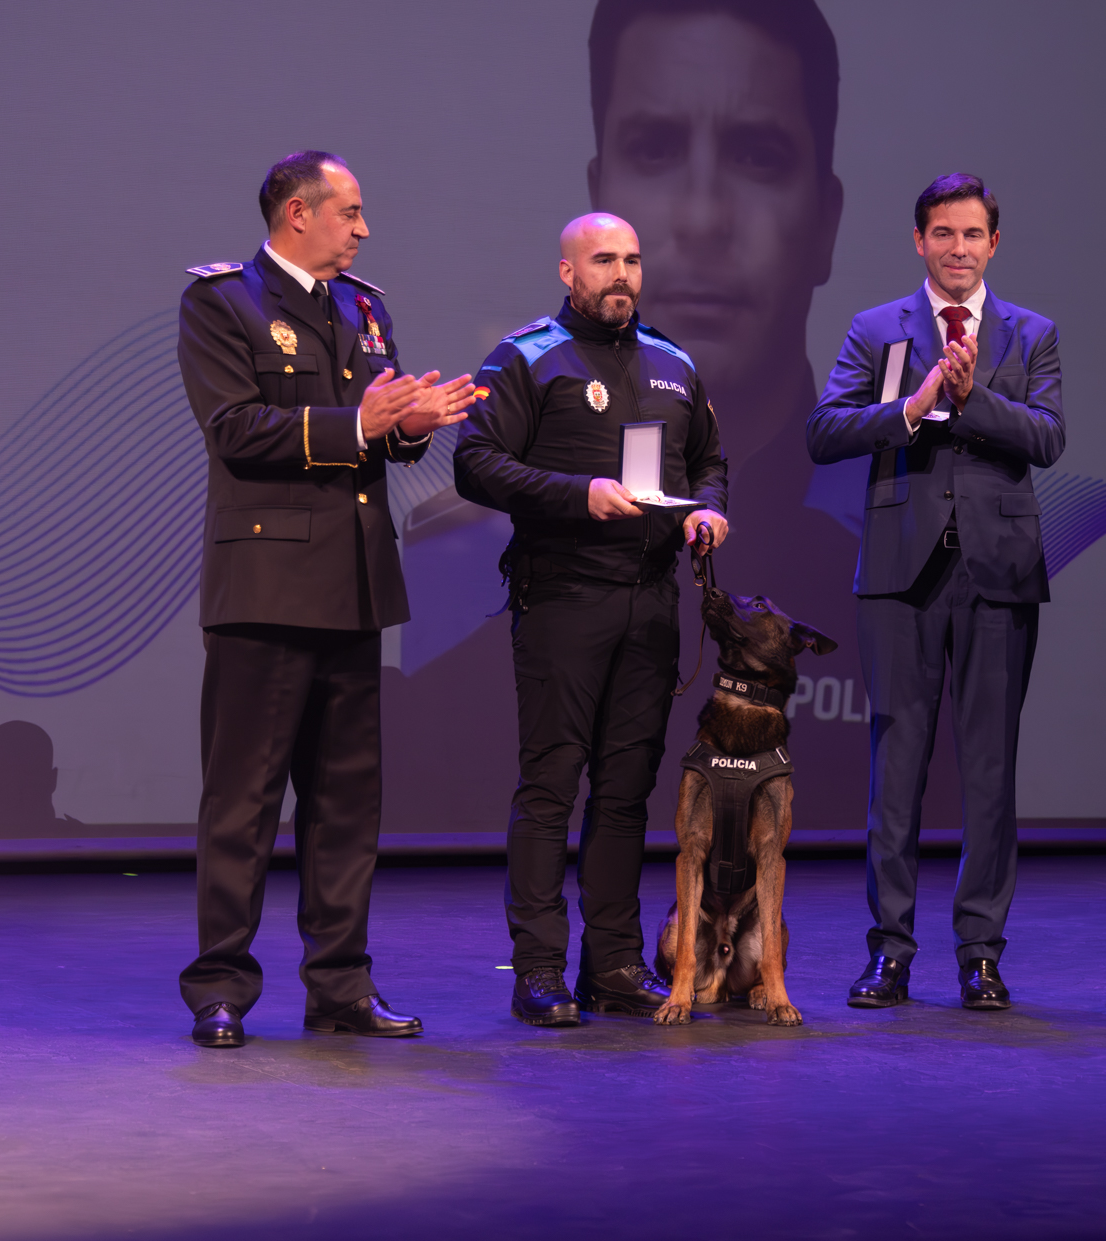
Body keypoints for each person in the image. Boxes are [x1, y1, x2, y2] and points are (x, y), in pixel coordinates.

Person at [176, 151, 475, 1049]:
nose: (364, 227)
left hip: (352, 582)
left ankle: (341, 985)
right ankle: (221, 987)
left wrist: (409, 426)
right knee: (244, 801)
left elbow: (374, 440)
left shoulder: (364, 305)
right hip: (266, 588)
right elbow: (233, 429)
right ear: (297, 214)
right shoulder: (222, 302)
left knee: (347, 805)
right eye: (350, 211)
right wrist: (361, 427)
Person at [581, 0, 878, 832]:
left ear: (825, 220)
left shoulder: (882, 551)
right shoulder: (466, 585)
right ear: (600, 203)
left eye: (756, 155)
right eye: (656, 149)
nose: (703, 217)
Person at [454, 213, 729, 1027]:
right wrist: (577, 494)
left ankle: (613, 961)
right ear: (568, 272)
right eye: (604, 260)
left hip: (653, 602)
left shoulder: (674, 361)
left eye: (633, 260)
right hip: (563, 598)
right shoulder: (527, 356)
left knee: (625, 791)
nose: (622, 274)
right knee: (551, 788)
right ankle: (539, 969)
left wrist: (707, 511)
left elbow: (710, 458)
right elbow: (475, 461)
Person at [807, 173, 1064, 1011]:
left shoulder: (1031, 333)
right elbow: (825, 430)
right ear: (919, 241)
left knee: (991, 771)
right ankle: (890, 950)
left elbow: (1049, 437)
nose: (959, 249)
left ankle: (981, 953)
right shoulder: (877, 327)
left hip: (999, 573)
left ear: (995, 243)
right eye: (943, 234)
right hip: (899, 573)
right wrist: (913, 408)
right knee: (897, 768)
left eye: (974, 235)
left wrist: (972, 398)